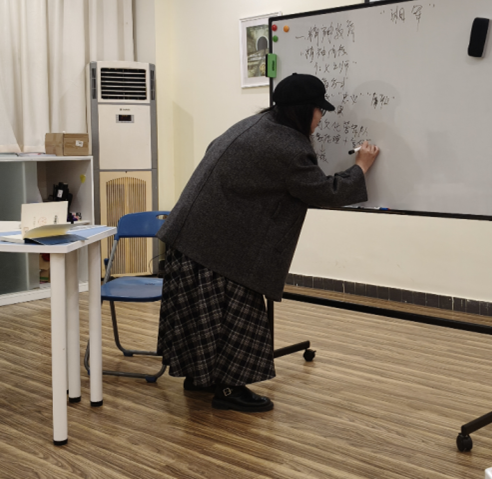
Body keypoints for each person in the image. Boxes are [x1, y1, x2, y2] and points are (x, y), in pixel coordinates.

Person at [156, 73, 380, 413]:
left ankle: (201, 377)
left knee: (202, 316)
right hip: (216, 245)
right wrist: (360, 168)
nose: (321, 118)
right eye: (319, 110)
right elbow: (324, 192)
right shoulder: (287, 146)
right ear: (303, 110)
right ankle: (229, 389)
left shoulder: (255, 124)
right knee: (235, 317)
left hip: (192, 235)